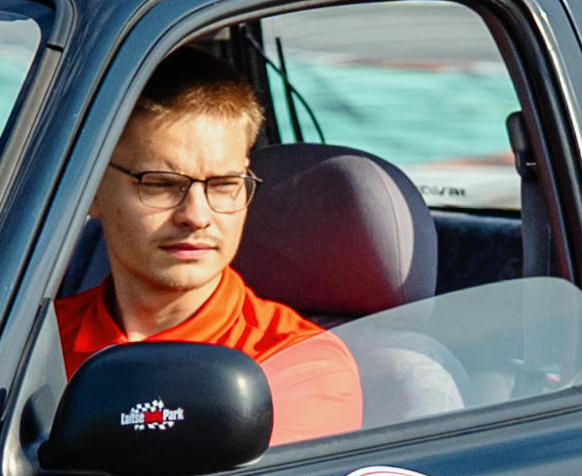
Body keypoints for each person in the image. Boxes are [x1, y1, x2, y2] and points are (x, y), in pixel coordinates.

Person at [46, 30, 360, 447]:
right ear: (91, 189)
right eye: (160, 184)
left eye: (224, 184)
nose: (196, 216)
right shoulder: (31, 345)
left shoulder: (298, 364)